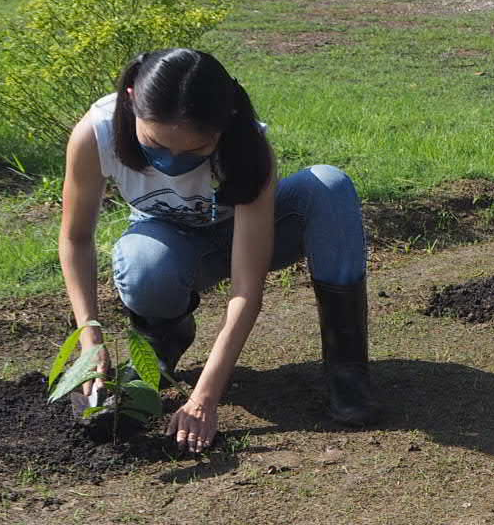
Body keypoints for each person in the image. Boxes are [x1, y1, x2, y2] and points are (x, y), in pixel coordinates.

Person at [57, 47, 378, 452]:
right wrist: (90, 340)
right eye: (156, 144)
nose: (172, 161)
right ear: (131, 101)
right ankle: (160, 344)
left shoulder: (246, 144)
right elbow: (75, 238)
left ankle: (347, 368)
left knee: (329, 186)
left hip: (255, 235)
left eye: (193, 152)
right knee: (142, 264)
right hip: (171, 244)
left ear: (222, 128)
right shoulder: (97, 131)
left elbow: (247, 289)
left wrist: (205, 397)